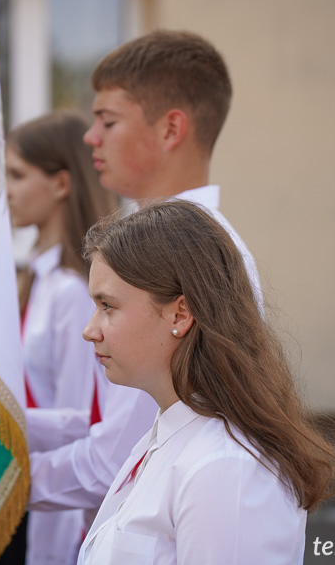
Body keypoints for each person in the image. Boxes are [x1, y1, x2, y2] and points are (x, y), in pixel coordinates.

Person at [27, 30, 263, 526]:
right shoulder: (160, 245)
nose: (90, 136)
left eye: (107, 121)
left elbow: (116, 456)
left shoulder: (194, 258)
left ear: (170, 129)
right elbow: (113, 422)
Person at [77, 200, 335, 564]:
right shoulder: (171, 433)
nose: (90, 330)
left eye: (107, 306)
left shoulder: (226, 470)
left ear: (180, 314)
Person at [4, 111, 118, 565]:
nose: (6, 189)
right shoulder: (40, 276)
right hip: (31, 491)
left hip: (51, 505)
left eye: (16, 174)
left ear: (60, 184)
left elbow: (79, 419)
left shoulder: (73, 292)